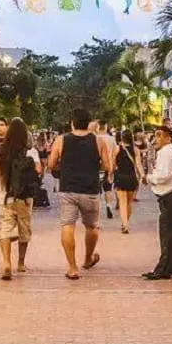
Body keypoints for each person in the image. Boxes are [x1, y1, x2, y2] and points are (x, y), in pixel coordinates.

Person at [48, 107, 112, 280]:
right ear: (88, 123)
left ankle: (72, 267)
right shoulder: (98, 141)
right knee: (92, 226)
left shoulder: (61, 140)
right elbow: (107, 165)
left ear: (72, 123)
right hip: (90, 189)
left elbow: (51, 164)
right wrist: (93, 166)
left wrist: (64, 167)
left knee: (67, 226)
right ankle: (88, 258)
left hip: (68, 189)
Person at [0, 118, 40, 280]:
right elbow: (38, 171)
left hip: (6, 195)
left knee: (5, 228)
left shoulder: (1, 151)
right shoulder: (30, 152)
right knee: (24, 228)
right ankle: (20, 263)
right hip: (25, 197)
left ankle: (7, 263)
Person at [144, 126, 172, 280]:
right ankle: (171, 267)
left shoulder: (167, 153)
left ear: (168, 138)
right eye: (155, 136)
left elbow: (164, 175)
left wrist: (149, 178)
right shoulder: (169, 152)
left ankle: (163, 269)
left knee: (168, 234)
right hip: (171, 196)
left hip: (170, 197)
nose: (156, 139)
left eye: (159, 136)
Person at [114, 130, 144, 234]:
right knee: (129, 203)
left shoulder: (117, 148)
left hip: (120, 177)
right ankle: (126, 222)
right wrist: (143, 175)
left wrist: (111, 173)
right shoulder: (135, 150)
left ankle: (125, 224)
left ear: (122, 138)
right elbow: (139, 164)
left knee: (122, 203)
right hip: (132, 178)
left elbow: (113, 163)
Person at [91, 119, 118, 219]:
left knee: (97, 190)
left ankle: (96, 212)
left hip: (96, 167)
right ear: (106, 127)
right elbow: (115, 153)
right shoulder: (111, 139)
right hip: (108, 166)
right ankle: (108, 205)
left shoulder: (94, 138)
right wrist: (114, 166)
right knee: (108, 188)